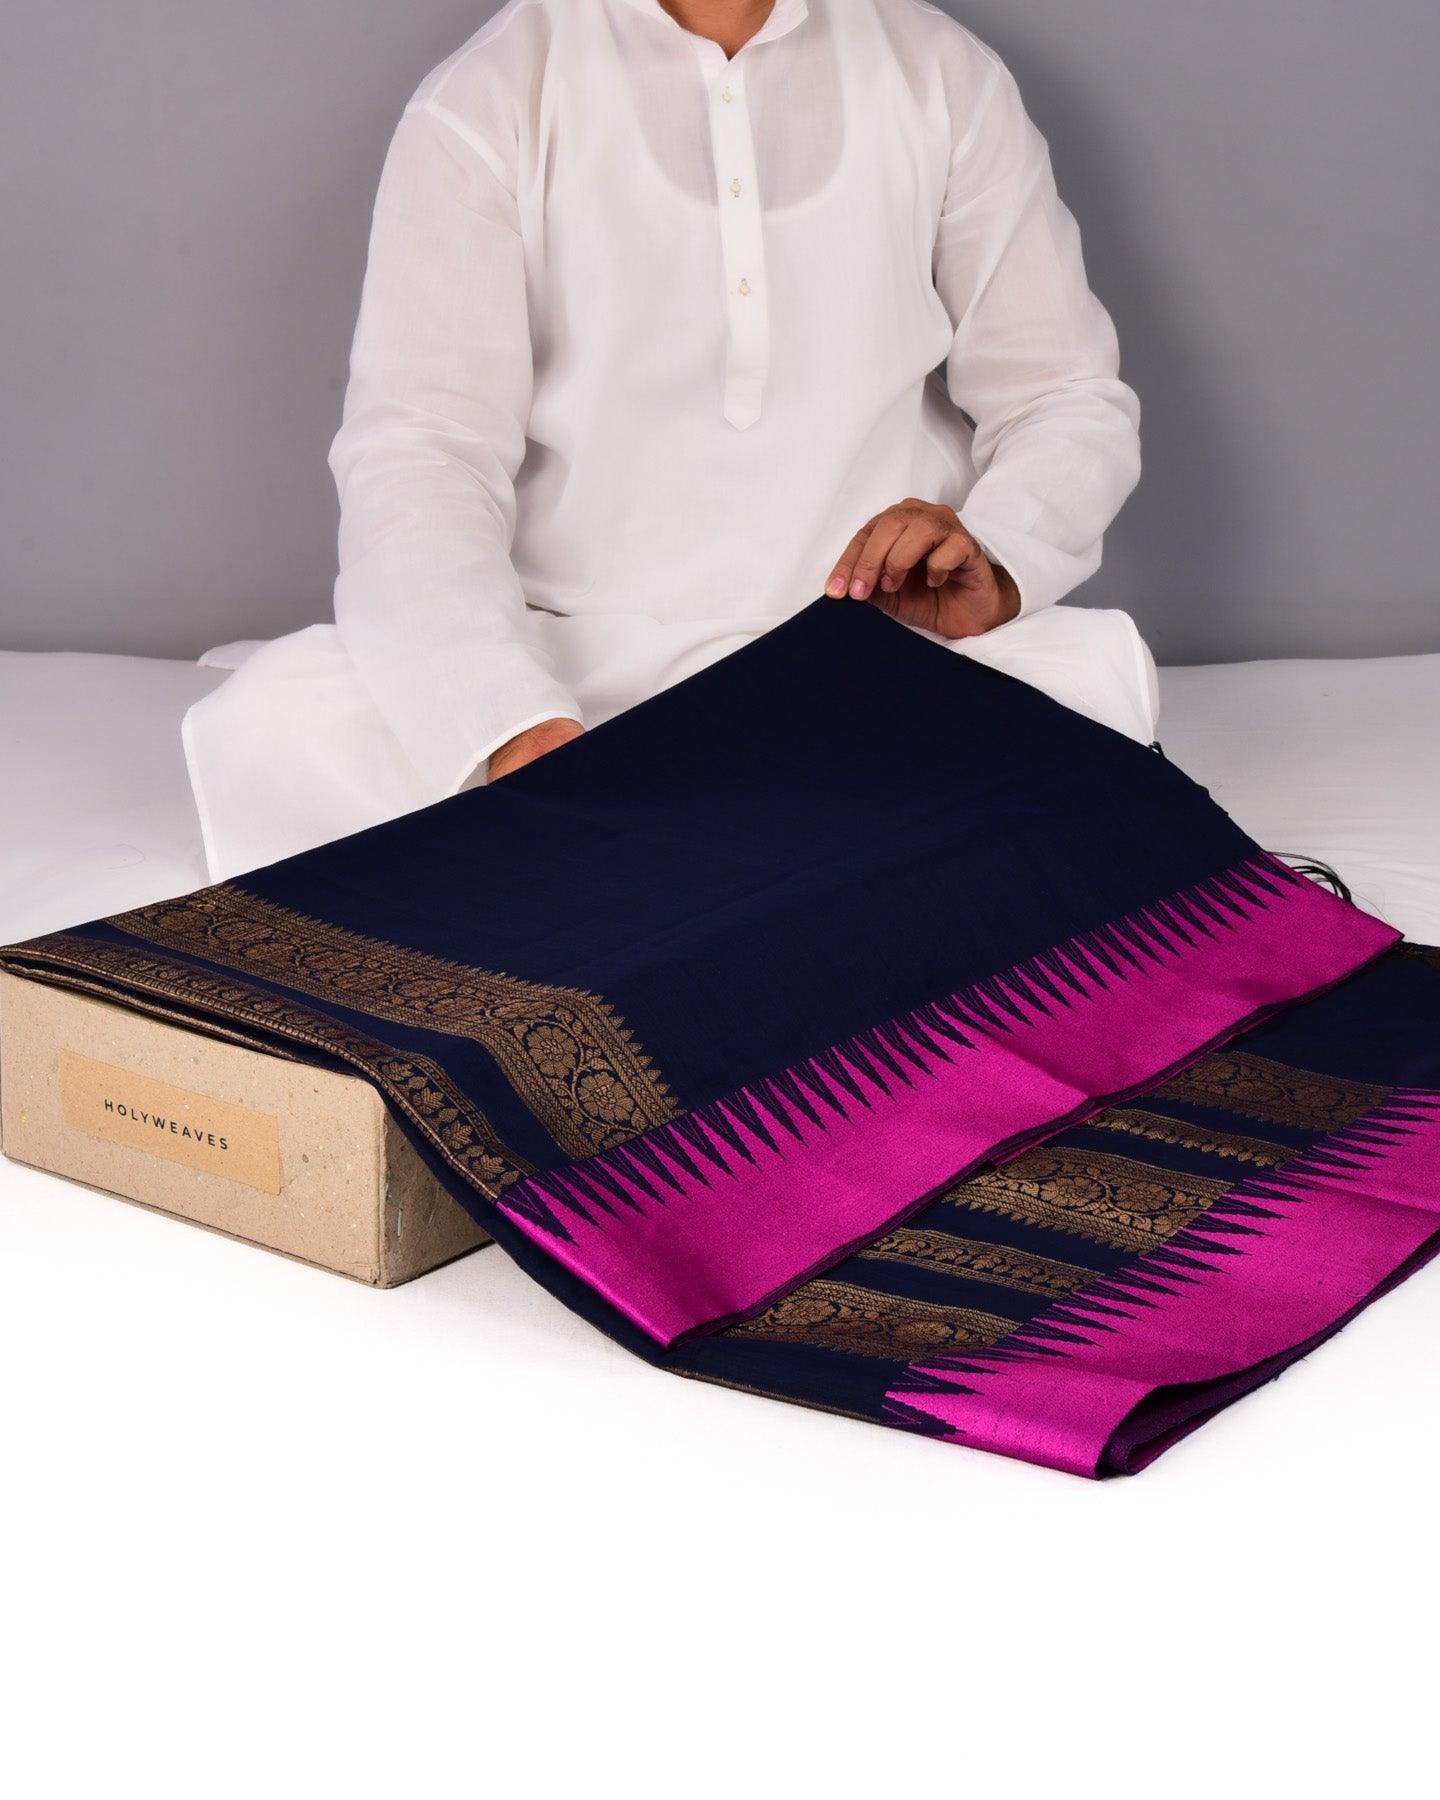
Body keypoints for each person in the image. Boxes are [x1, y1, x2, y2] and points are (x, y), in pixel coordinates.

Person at [184, 0, 1156, 880]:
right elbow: (421, 448)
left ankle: (649, 865)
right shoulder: (492, 92)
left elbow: (1065, 394)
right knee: (292, 718)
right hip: (581, 663)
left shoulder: (942, 72)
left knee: (1087, 686)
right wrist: (514, 727)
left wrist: (999, 556)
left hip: (879, 656)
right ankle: (771, 854)